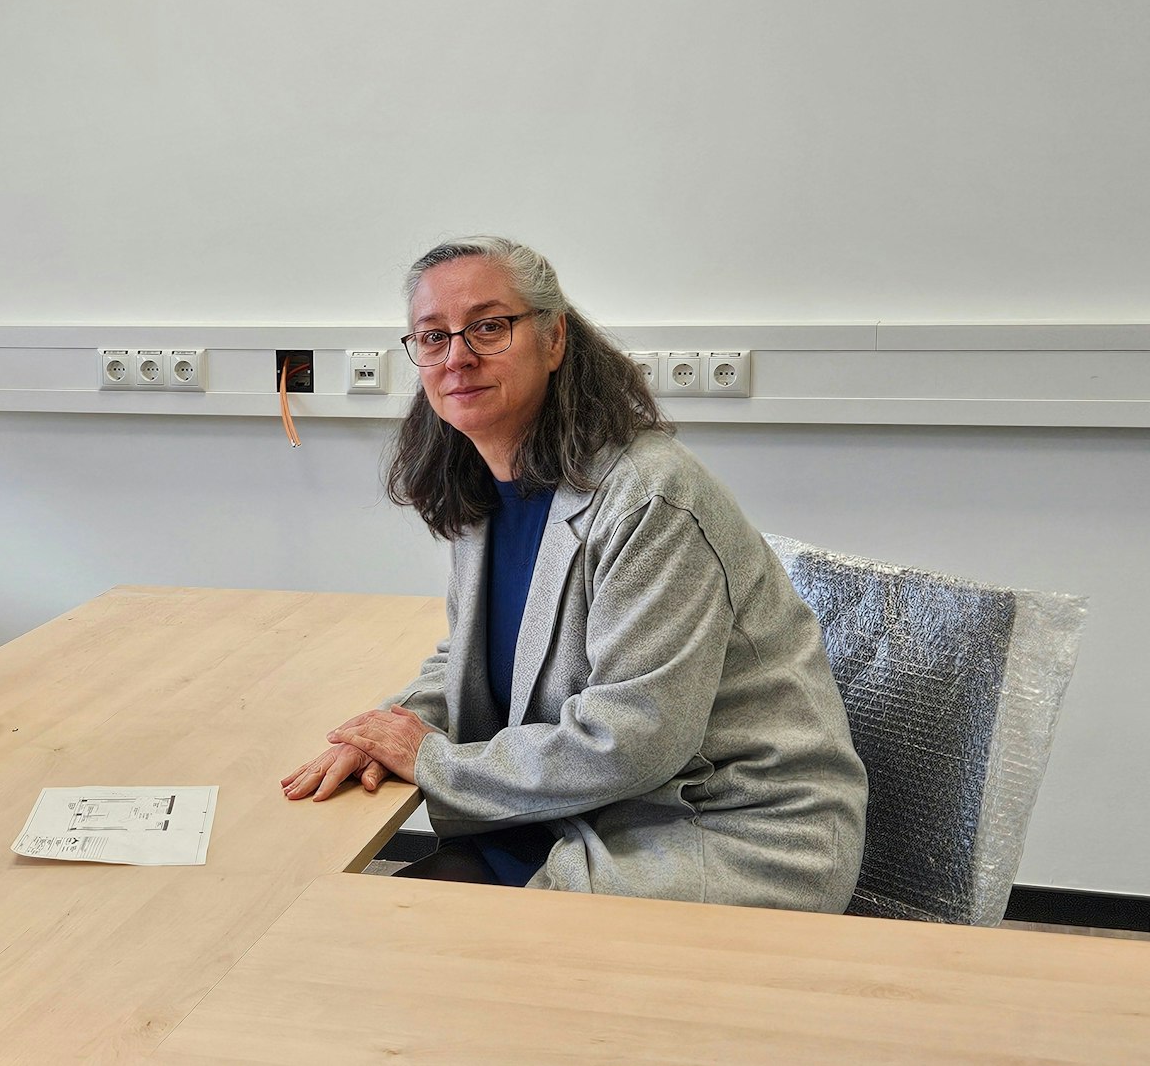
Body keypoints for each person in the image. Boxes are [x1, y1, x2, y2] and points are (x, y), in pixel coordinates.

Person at [282, 236, 866, 911]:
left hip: (725, 831)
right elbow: (468, 654)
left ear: (554, 337)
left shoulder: (650, 496)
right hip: (592, 813)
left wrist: (431, 760)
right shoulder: (480, 482)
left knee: (421, 949)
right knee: (358, 927)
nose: (458, 356)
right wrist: (386, 729)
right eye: (432, 337)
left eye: (488, 326)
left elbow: (634, 740)